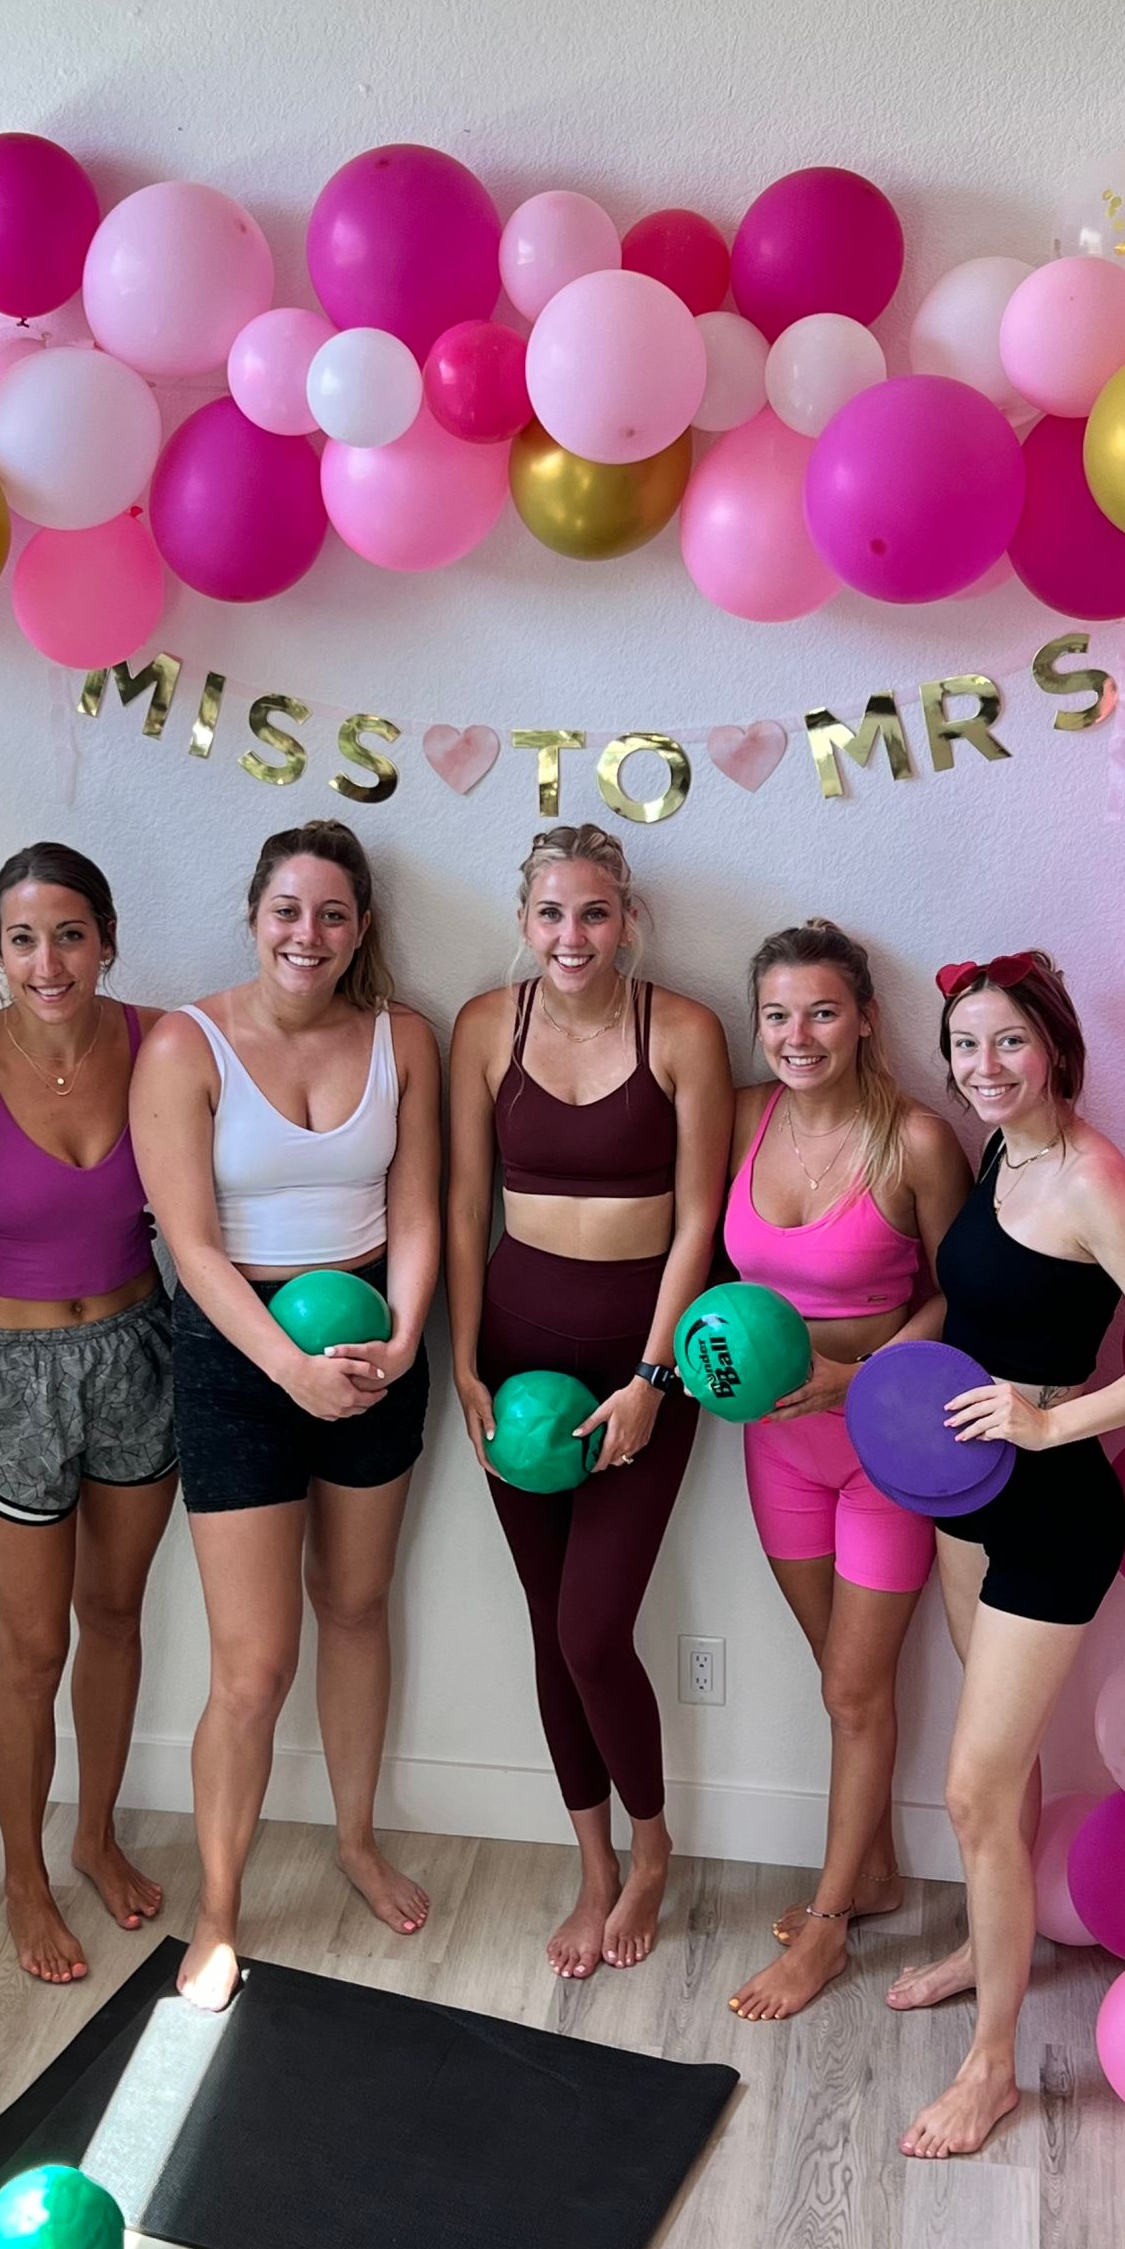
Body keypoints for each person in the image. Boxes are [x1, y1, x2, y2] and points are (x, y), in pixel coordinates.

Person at [891, 952, 1125, 2158]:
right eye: (965, 1046)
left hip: (1051, 1515)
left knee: (973, 1789)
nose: (982, 1068)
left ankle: (990, 2071)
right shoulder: (998, 1150)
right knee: (998, 1768)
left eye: (1007, 1045)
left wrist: (1045, 1417)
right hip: (963, 1498)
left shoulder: (1087, 1176)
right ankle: (987, 1945)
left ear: (1056, 1050)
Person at [130, 819, 440, 2012]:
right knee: (251, 1667)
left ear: (359, 928)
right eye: (286, 912)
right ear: (252, 916)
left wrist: (403, 1337)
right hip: (234, 1352)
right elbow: (191, 1247)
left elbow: (415, 1214)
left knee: (356, 1606)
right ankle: (217, 1908)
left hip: (371, 1341)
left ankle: (356, 1839)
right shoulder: (185, 1044)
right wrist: (284, 1369)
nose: (305, 935)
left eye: (330, 915)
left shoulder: (399, 1038)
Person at [448, 825, 732, 1980]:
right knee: (542, 1622)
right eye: (553, 914)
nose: (574, 936)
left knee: (589, 1627)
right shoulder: (484, 1026)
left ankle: (653, 1846)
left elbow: (700, 1221)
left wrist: (653, 1379)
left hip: (640, 1360)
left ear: (629, 919)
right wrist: (461, 1368)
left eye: (596, 913)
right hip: (510, 1360)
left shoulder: (686, 1030)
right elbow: (468, 1202)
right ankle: (592, 1863)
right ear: (524, 921)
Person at [0, 845, 175, 1986]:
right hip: (11, 1373)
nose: (46, 960)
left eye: (67, 933)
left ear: (107, 939)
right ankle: (23, 1877)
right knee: (32, 1649)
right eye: (22, 939)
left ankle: (95, 1833)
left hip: (140, 1352)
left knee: (114, 1614)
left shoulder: (161, 1042)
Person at [720, 923, 971, 2024]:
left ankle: (826, 1930)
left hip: (882, 1448)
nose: (796, 1035)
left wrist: (855, 1375)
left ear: (866, 1016)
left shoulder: (914, 1140)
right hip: (771, 1448)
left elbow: (963, 1297)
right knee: (837, 1674)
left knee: (853, 1689)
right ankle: (866, 1873)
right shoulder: (740, 1116)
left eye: (820, 1011)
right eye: (776, 1014)